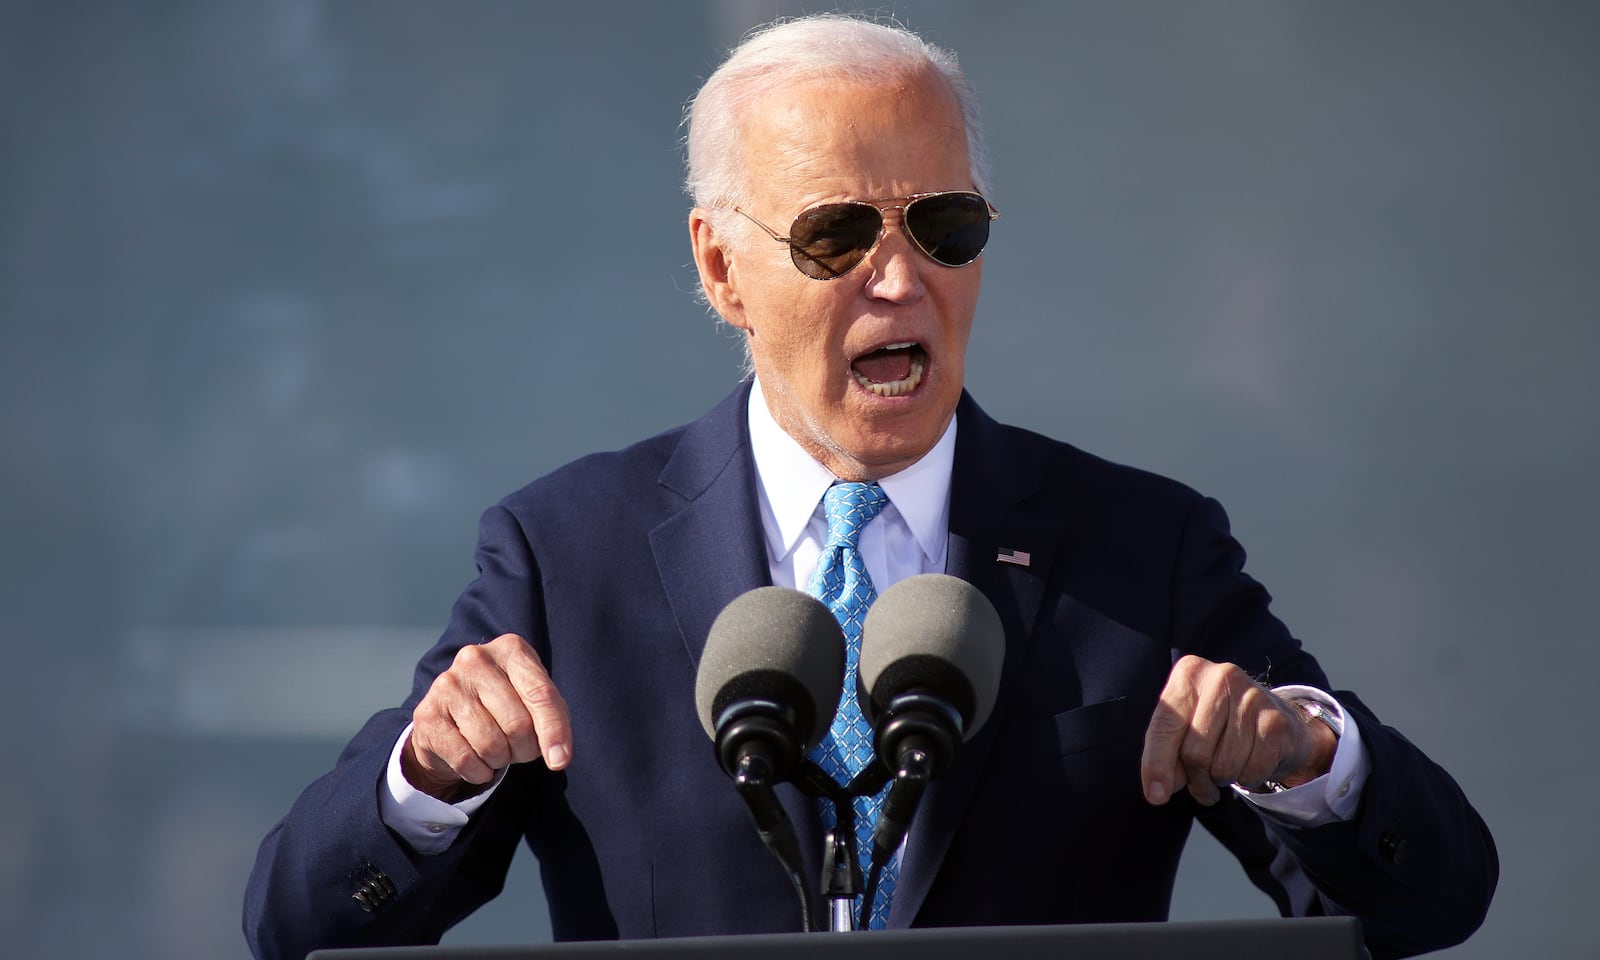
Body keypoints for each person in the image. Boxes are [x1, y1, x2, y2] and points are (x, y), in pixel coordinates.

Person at [244, 14, 1496, 960]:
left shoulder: (1139, 549)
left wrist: (1305, 756)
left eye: (941, 225)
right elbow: (299, 923)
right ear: (722, 266)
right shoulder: (567, 553)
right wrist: (430, 778)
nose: (898, 281)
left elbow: (1430, 898)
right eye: (837, 234)